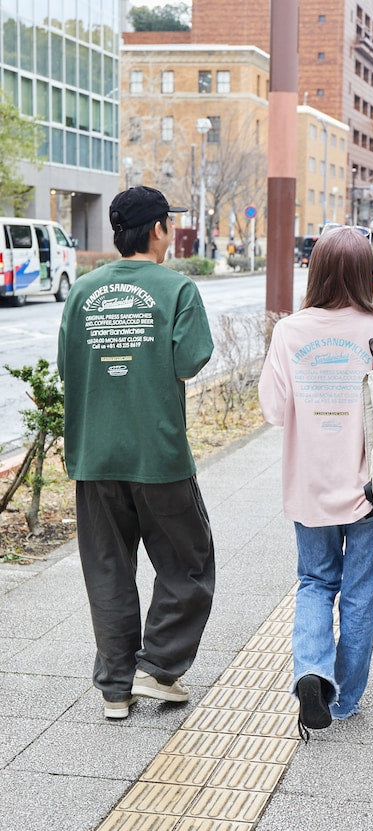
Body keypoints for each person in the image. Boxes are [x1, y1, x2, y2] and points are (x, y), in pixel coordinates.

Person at [258, 225, 373, 738]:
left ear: (315, 270)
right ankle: (345, 700)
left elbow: (272, 409)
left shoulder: (290, 331)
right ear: (364, 273)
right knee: (361, 591)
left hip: (308, 484)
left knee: (315, 582)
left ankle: (313, 670)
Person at [57, 186, 216, 720]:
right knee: (188, 563)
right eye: (168, 224)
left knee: (107, 567)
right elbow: (191, 360)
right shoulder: (177, 289)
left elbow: (68, 365)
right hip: (159, 454)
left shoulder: (82, 290)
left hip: (92, 453)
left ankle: (115, 689)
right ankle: (159, 667)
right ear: (157, 230)